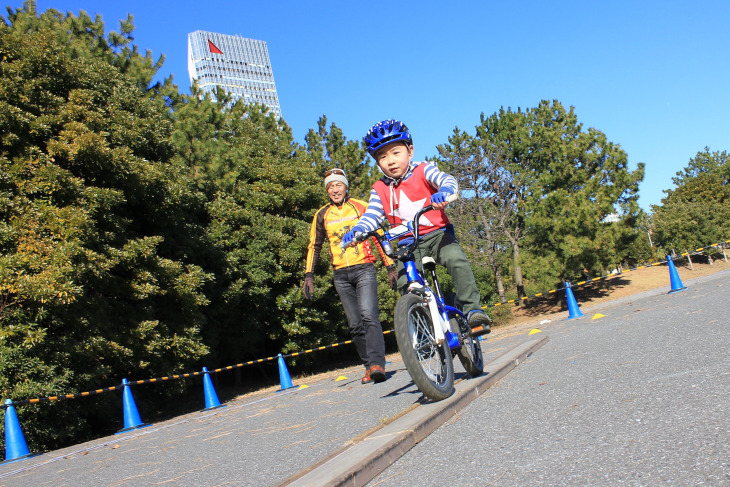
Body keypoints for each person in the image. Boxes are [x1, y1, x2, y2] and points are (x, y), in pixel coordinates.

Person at [342, 120, 492, 333]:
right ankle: (426, 330)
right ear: (377, 162)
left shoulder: (424, 170)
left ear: (410, 151)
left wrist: (445, 192)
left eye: (395, 152)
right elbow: (372, 215)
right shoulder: (379, 189)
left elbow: (446, 180)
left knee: (456, 260)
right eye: (382, 157)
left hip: (438, 234)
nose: (390, 161)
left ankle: (473, 311)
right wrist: (358, 231)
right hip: (408, 244)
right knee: (406, 283)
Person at [303, 168, 398, 384]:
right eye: (330, 186)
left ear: (346, 187)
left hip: (364, 268)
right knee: (355, 324)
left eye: (338, 185)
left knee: (368, 316)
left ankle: (377, 364)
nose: (335, 189)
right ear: (327, 190)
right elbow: (314, 246)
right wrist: (309, 275)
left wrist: (390, 266)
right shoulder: (321, 214)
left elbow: (378, 235)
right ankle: (368, 367)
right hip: (340, 275)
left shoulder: (360, 206)